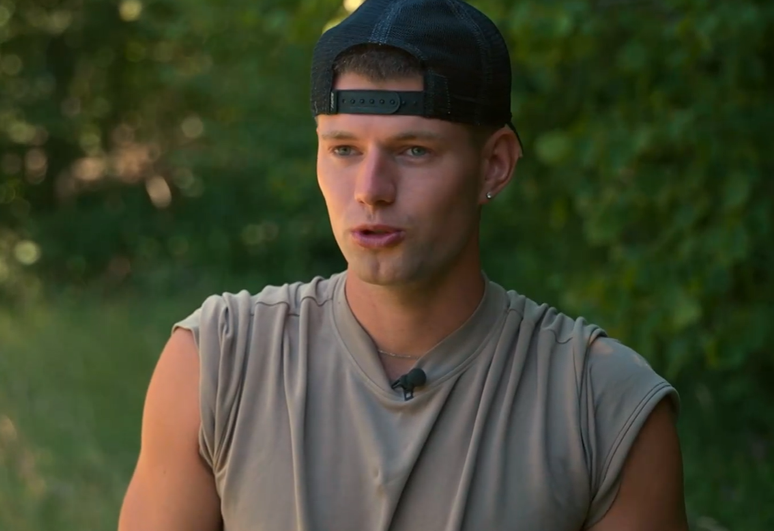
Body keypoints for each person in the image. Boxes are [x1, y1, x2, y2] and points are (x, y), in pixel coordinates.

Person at [118, 0, 688, 529]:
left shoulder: (602, 404)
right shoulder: (217, 363)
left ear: (495, 165)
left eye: (414, 150)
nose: (371, 189)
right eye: (344, 149)